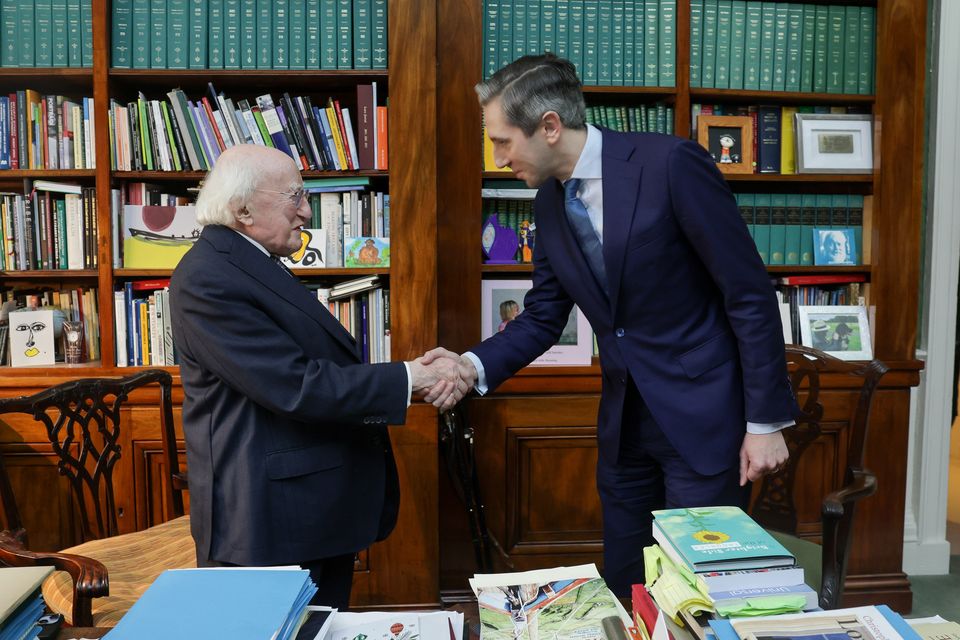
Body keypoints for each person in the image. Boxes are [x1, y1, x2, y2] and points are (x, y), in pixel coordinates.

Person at [422, 54, 797, 595]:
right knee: (628, 581)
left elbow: (749, 294)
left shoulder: (670, 165)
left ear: (549, 126)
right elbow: (544, 316)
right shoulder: (549, 204)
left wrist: (765, 422)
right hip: (624, 429)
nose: (497, 156)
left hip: (705, 418)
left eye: (503, 141)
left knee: (702, 589)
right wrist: (469, 365)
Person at [169, 145, 463, 608]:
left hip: (304, 508)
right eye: (295, 197)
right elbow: (296, 386)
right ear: (243, 209)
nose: (307, 212)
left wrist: (411, 378)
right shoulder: (209, 277)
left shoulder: (246, 262)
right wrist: (411, 378)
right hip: (268, 522)